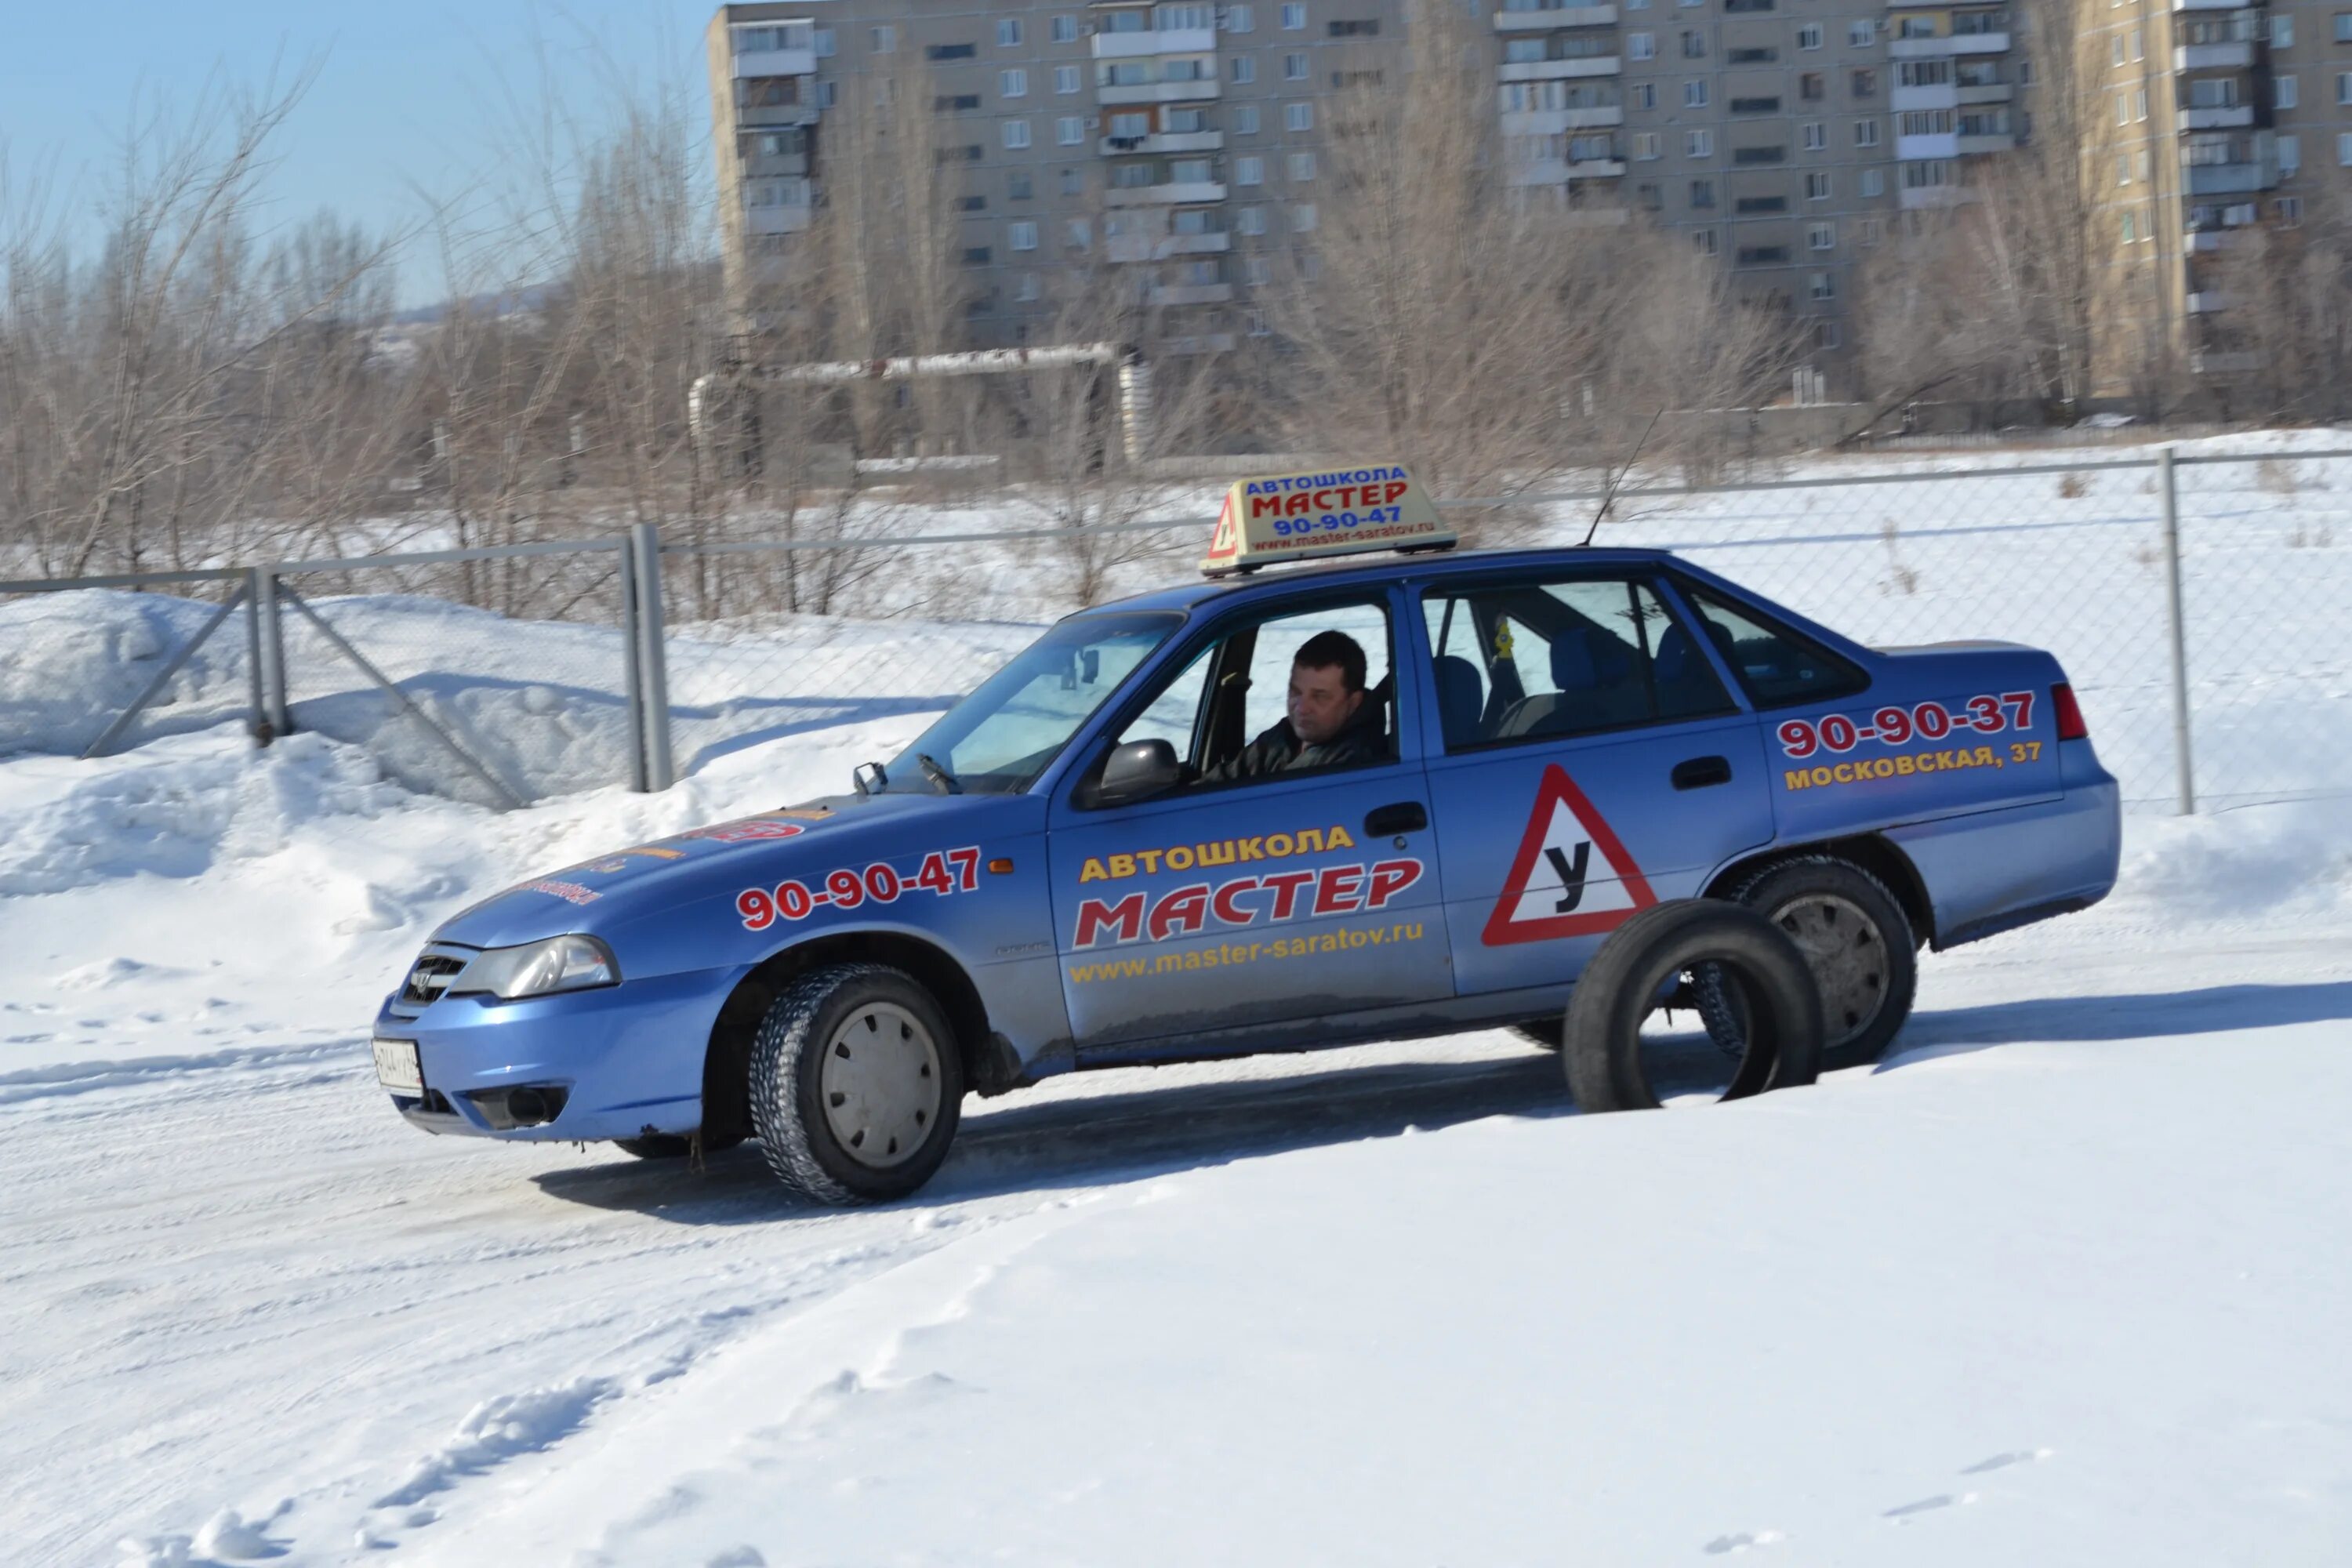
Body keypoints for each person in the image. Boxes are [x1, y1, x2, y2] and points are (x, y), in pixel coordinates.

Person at [1200, 629, 1387, 782]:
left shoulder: (1353, 766)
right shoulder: (1285, 736)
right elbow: (1222, 780)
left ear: (1354, 702)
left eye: (1320, 697)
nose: (1302, 708)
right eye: (1295, 692)